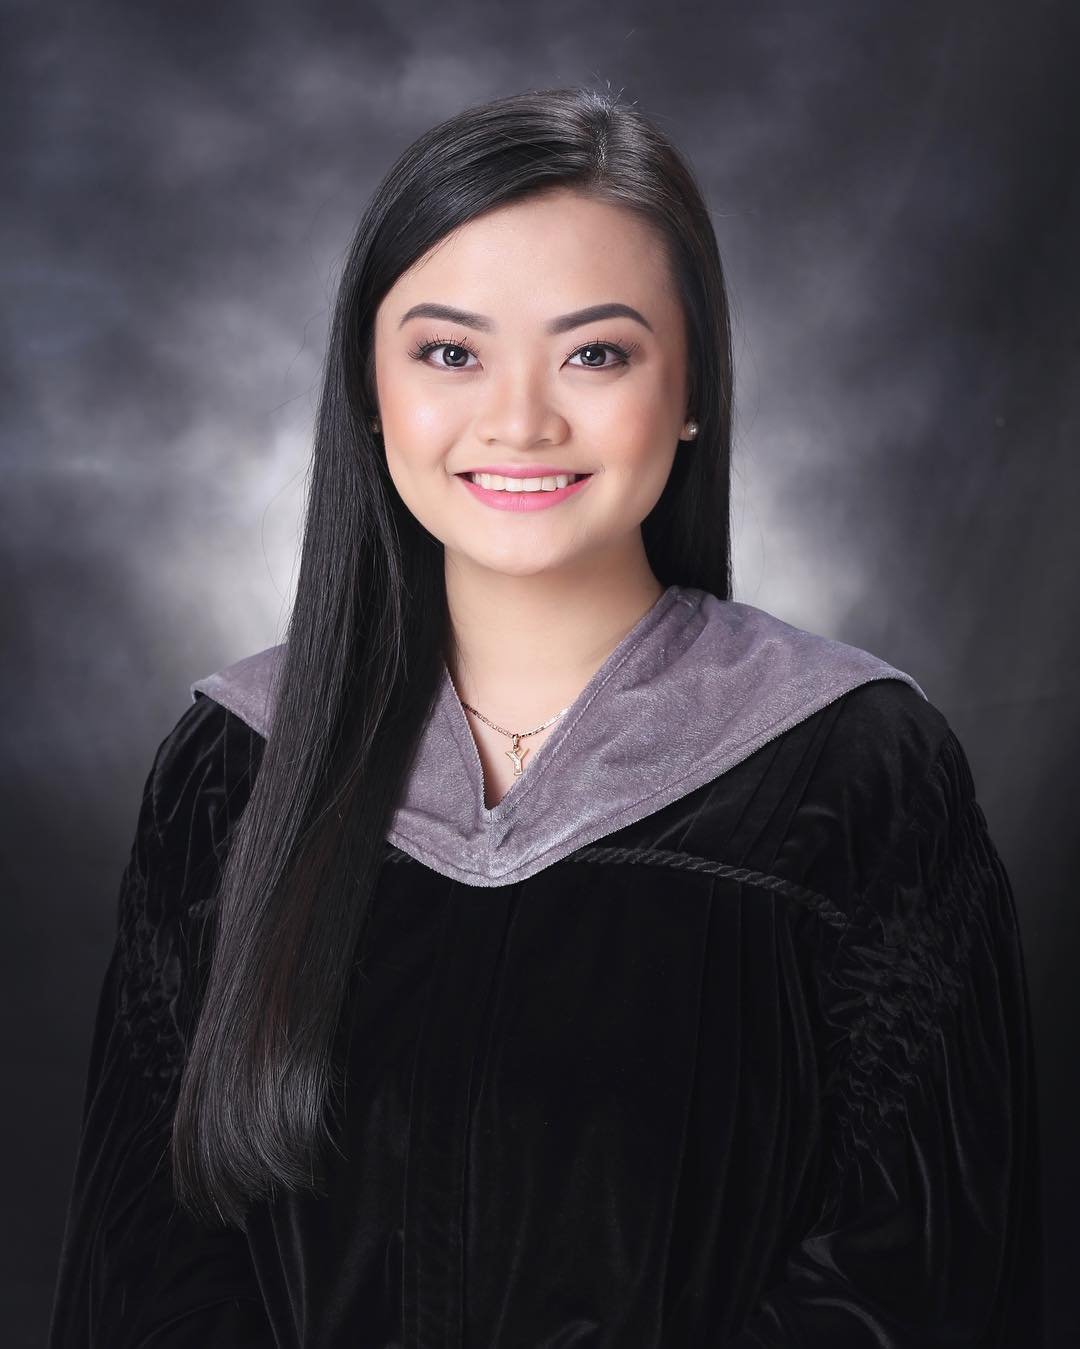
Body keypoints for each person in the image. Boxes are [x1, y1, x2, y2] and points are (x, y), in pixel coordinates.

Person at [48, 85, 1043, 1347]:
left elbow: (918, 1279)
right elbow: (149, 1261)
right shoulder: (233, 765)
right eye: (449, 352)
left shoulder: (854, 772)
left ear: (692, 388)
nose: (519, 419)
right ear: (369, 388)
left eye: (596, 353)